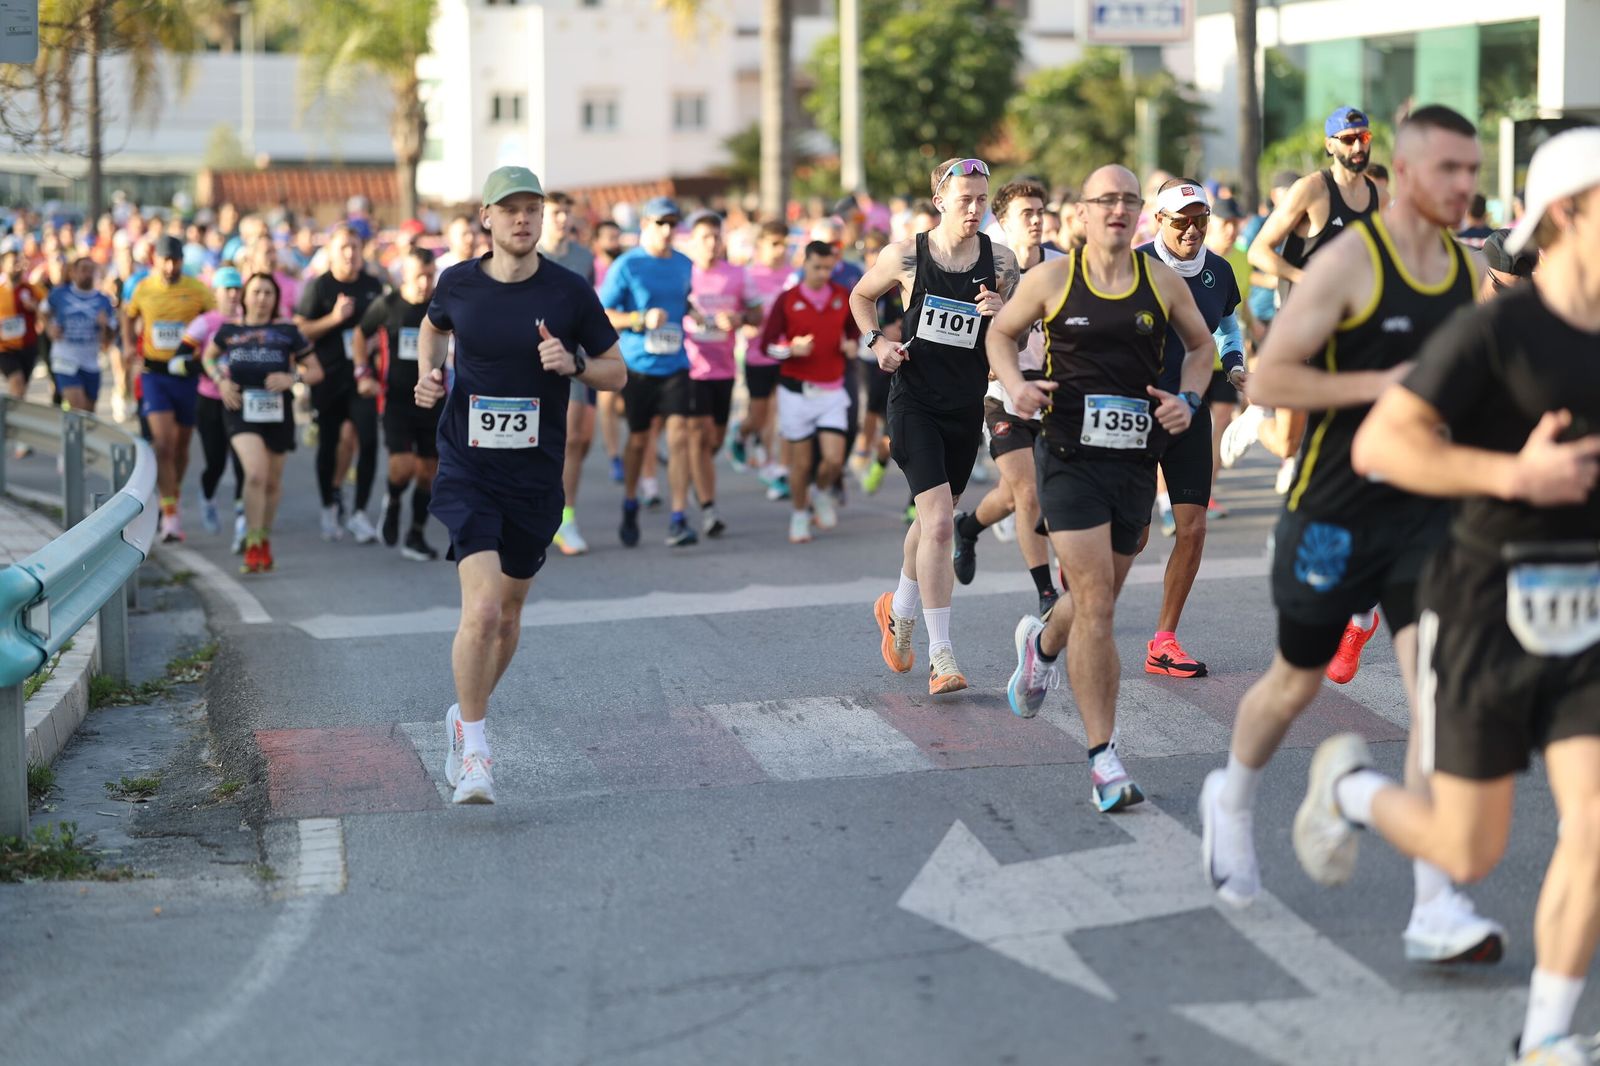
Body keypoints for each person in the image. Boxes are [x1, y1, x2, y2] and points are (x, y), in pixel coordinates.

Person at [1294, 127, 1600, 1065]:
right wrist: (1517, 479)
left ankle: (1547, 1034)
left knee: (1595, 823)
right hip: (1484, 609)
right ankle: (1348, 788)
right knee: (1467, 855)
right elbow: (1385, 446)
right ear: (1567, 214)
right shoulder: (1496, 329)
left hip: (1588, 615)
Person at [1199, 105, 1506, 965]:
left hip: (1424, 518)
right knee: (1294, 682)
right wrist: (1389, 383)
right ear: (1404, 174)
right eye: (1449, 170)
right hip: (1333, 510)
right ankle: (1232, 796)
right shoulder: (1346, 262)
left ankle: (1437, 906)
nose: (1464, 187)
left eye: (1471, 172)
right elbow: (1267, 375)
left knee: (1436, 704)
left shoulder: (1463, 269)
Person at [989, 164, 1216, 813]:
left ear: (1138, 212)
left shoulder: (1160, 280)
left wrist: (1191, 399)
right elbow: (1000, 334)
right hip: (1067, 454)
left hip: (1134, 462)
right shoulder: (1054, 278)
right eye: (1104, 200)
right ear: (1083, 213)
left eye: (1126, 199)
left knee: (1096, 601)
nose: (1116, 209)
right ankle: (1104, 759)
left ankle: (1042, 644)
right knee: (1097, 602)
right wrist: (1016, 385)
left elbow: (1200, 348)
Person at [412, 166, 627, 804]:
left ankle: (463, 714)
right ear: (487, 218)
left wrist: (576, 363)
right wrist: (430, 374)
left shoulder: (569, 292)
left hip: (536, 475)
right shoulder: (458, 284)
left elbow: (618, 373)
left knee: (507, 614)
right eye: (509, 209)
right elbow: (433, 326)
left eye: (531, 209)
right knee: (480, 609)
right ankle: (475, 751)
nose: (522, 219)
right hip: (467, 466)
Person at [852, 157, 1021, 695]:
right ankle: (941, 655)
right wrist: (876, 341)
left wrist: (1003, 311)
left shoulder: (1003, 260)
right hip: (914, 404)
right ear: (940, 200)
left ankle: (897, 610)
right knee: (942, 523)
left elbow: (1015, 335)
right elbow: (860, 298)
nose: (974, 210)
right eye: (965, 199)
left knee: (930, 523)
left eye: (982, 200)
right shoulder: (906, 254)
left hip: (964, 406)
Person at [1249, 107, 1387, 682]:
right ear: (1330, 144)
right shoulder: (1312, 189)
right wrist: (1314, 283)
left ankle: (1358, 615)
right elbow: (1260, 253)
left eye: (1365, 137)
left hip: (1352, 346)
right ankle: (1246, 424)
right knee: (1287, 443)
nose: (1359, 146)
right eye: (1349, 139)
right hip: (1303, 334)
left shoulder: (1376, 195)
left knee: (1353, 467)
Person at [1131, 179, 1247, 677]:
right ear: (1159, 221)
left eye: (1201, 219)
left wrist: (1235, 362)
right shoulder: (1131, 266)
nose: (1193, 230)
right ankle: (1079, 581)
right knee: (1131, 537)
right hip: (1134, 413)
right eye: (1182, 220)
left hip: (1191, 407)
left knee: (1192, 527)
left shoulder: (1217, 271)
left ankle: (1164, 640)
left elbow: (1225, 324)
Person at [948, 178, 1063, 618]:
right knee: (1028, 491)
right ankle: (1047, 592)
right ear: (1004, 222)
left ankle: (969, 525)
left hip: (1053, 392)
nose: (1036, 221)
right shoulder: (985, 268)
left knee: (1014, 495)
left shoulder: (1061, 266)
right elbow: (960, 331)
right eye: (1025, 214)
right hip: (1002, 393)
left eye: (1040, 212)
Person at [203, 273, 323, 574]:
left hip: (276, 412)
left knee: (271, 482)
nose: (262, 298)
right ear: (245, 297)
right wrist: (221, 381)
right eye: (256, 291)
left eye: (268, 292)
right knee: (255, 473)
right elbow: (207, 357)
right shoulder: (229, 330)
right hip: (240, 409)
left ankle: (264, 539)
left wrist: (291, 378)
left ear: (276, 298)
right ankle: (252, 542)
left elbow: (316, 371)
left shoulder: (288, 331)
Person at [599, 196, 697, 548]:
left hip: (675, 363)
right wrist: (639, 319)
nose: (668, 230)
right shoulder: (627, 265)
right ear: (645, 225)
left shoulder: (685, 263)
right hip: (638, 366)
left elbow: (686, 300)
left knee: (680, 435)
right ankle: (629, 501)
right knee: (640, 441)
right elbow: (604, 312)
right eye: (661, 223)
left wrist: (697, 315)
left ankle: (679, 517)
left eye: (673, 223)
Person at [758, 240, 860, 542]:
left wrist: (854, 343)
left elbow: (858, 332)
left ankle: (821, 491)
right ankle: (800, 514)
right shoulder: (787, 299)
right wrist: (790, 349)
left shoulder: (843, 297)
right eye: (817, 267)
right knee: (801, 464)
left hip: (832, 390)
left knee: (832, 460)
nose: (823, 274)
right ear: (804, 264)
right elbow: (766, 346)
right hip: (796, 392)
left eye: (829, 268)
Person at [295, 225, 386, 543]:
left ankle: (360, 512)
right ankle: (329, 504)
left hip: (362, 378)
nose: (350, 254)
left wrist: (377, 342)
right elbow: (301, 330)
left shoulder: (373, 285)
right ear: (331, 253)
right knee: (330, 445)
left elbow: (385, 326)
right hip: (328, 378)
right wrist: (333, 318)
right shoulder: (319, 287)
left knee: (369, 440)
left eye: (355, 248)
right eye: (344, 248)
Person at [353, 246, 442, 561]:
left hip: (434, 399)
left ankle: (415, 535)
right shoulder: (387, 305)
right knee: (402, 466)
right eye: (419, 276)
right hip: (396, 399)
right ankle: (392, 503)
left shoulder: (440, 306)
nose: (425, 283)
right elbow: (360, 335)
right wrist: (363, 372)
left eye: (430, 276)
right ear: (405, 273)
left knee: (429, 471)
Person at [124, 235, 214, 541]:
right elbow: (128, 313)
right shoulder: (144, 288)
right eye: (165, 259)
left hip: (187, 376)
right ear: (155, 260)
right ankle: (171, 514)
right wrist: (126, 345)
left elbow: (214, 320)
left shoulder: (198, 289)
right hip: (155, 373)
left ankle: (170, 492)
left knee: (181, 447)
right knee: (162, 444)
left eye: (175, 260)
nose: (171, 265)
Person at [537, 193, 601, 556]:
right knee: (537, 439)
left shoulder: (584, 258)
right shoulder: (530, 254)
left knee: (575, 439)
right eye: (555, 213)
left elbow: (591, 309)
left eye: (566, 213)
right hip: (530, 358)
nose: (562, 219)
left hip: (572, 356)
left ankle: (566, 517)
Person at [683, 211, 751, 538]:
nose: (711, 244)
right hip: (691, 366)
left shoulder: (736, 275)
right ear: (693, 242)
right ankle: (709, 509)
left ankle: (697, 474)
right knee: (698, 435)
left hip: (724, 369)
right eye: (704, 238)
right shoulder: (683, 274)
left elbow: (757, 313)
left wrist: (737, 319)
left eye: (716, 236)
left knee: (714, 440)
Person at [177, 268, 247, 548]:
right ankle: (207, 497)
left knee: (243, 463)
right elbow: (179, 359)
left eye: (236, 289)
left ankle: (243, 524)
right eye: (226, 289)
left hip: (240, 401)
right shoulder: (205, 323)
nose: (232, 294)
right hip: (209, 399)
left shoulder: (247, 321)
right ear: (215, 293)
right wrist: (208, 369)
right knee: (216, 463)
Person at [40, 256, 114, 413]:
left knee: (88, 412)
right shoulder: (59, 294)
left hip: (91, 361)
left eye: (90, 270)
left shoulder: (103, 301)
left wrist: (105, 326)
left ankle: (70, 433)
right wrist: (49, 328)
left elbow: (109, 338)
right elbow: (42, 311)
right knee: (78, 407)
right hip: (65, 358)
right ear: (73, 272)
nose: (87, 274)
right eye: (83, 270)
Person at [0, 242, 44, 454]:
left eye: (19, 262)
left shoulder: (31, 290)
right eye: (12, 263)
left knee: (21, 390)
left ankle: (13, 424)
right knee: (16, 383)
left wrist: (35, 308)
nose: (17, 266)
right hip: (4, 349)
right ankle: (17, 436)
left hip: (28, 346)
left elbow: (47, 310)